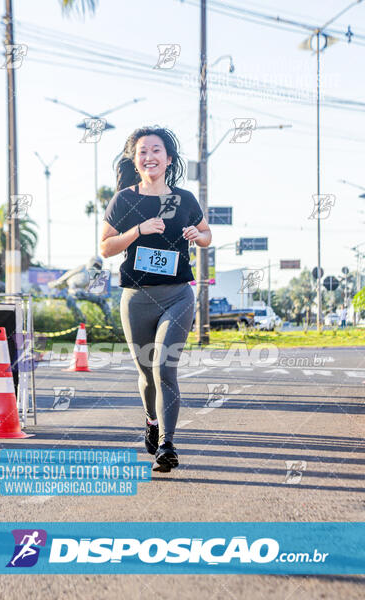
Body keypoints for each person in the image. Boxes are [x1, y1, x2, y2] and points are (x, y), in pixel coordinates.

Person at [100, 126, 212, 472]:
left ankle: (167, 444)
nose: (149, 157)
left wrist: (198, 234)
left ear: (169, 158)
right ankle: (151, 419)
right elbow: (105, 248)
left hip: (178, 294)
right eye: (143, 152)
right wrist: (137, 231)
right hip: (136, 297)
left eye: (156, 151)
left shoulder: (186, 199)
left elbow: (207, 235)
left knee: (165, 366)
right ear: (135, 160)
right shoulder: (124, 200)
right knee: (147, 373)